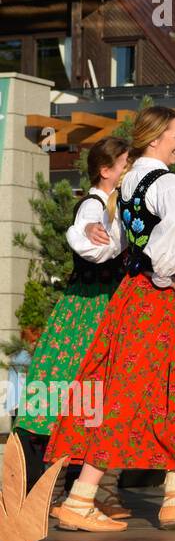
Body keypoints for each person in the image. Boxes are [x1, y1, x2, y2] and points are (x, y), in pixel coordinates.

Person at [47, 107, 175, 532]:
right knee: (145, 391)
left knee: (170, 388)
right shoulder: (168, 182)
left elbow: (116, 245)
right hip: (164, 296)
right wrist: (166, 274)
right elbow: (170, 243)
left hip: (134, 294)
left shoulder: (128, 182)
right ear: (155, 139)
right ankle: (80, 499)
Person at [14, 138, 129, 515]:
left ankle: (94, 490)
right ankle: (54, 490)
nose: (129, 170)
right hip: (88, 309)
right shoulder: (93, 208)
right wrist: (94, 235)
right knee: (71, 394)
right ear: (105, 170)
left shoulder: (116, 206)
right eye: (125, 164)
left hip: (105, 304)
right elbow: (91, 244)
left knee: (99, 396)